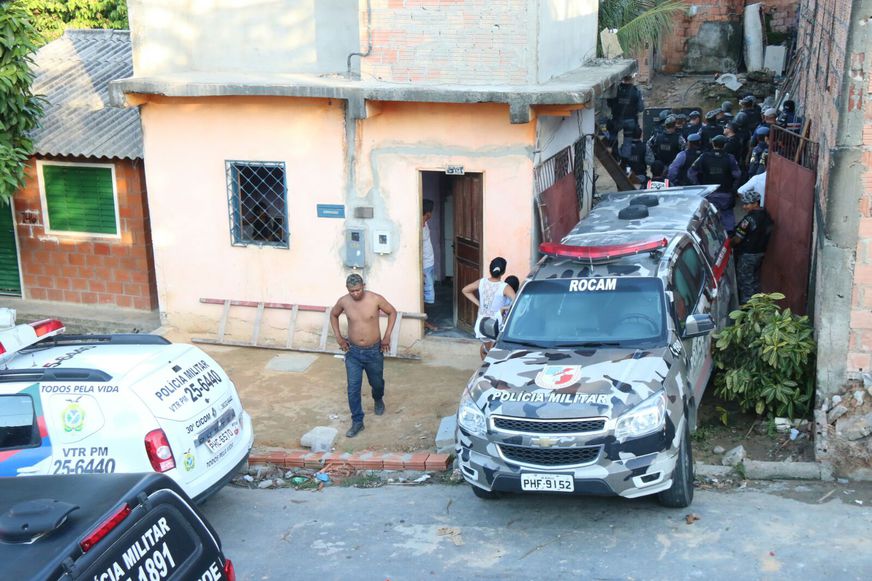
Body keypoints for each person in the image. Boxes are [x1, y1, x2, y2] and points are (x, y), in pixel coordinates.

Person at [330, 273, 398, 438]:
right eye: (352, 291)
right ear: (347, 289)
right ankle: (357, 421)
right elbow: (333, 314)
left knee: (377, 383)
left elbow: (392, 312)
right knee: (353, 389)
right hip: (353, 353)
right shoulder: (344, 301)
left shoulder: (375, 299)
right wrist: (339, 337)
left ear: (363, 286)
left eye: (358, 290)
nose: (355, 293)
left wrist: (387, 336)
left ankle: (378, 398)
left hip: (374, 352)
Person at [462, 257, 516, 359]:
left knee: (489, 352)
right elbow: (517, 303)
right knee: (493, 355)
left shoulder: (481, 282)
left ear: (490, 269)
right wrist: (504, 308)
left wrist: (479, 304)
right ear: (503, 272)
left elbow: (465, 290)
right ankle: (485, 353)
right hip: (496, 325)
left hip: (482, 324)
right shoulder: (504, 287)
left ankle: (484, 351)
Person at [688, 134, 742, 234]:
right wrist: (733, 188)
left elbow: (691, 173)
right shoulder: (730, 158)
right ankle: (729, 236)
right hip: (726, 193)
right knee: (727, 215)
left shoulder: (704, 156)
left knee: (708, 218)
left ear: (713, 144)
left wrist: (700, 186)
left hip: (709, 193)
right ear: (725, 145)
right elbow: (737, 175)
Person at [731, 189, 773, 304]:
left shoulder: (749, 220)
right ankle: (758, 303)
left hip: (748, 254)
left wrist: (730, 244)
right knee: (754, 280)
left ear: (755, 203)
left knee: (745, 282)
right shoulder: (766, 215)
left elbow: (737, 239)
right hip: (760, 253)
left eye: (747, 204)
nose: (744, 207)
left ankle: (748, 307)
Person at [607, 74, 644, 149]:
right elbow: (641, 108)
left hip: (616, 120)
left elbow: (609, 104)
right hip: (630, 120)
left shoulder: (616, 90)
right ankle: (625, 155)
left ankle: (613, 154)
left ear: (622, 78)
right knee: (628, 144)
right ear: (632, 79)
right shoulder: (636, 91)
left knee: (613, 139)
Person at [421, 199, 438, 331]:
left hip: (428, 263)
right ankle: (423, 322)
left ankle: (424, 320)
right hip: (424, 265)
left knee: (427, 294)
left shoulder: (424, 223)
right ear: (428, 213)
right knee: (424, 294)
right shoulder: (417, 226)